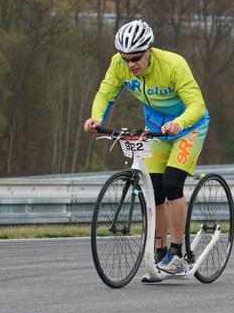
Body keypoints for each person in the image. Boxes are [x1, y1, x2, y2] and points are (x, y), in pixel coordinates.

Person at [84, 20, 209, 280]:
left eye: (136, 58)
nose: (131, 65)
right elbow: (106, 93)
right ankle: (160, 250)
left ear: (149, 50)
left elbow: (197, 105)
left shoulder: (173, 65)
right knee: (153, 189)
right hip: (155, 128)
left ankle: (177, 253)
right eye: (125, 59)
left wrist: (179, 123)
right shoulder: (118, 65)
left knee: (172, 184)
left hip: (188, 127)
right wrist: (96, 118)